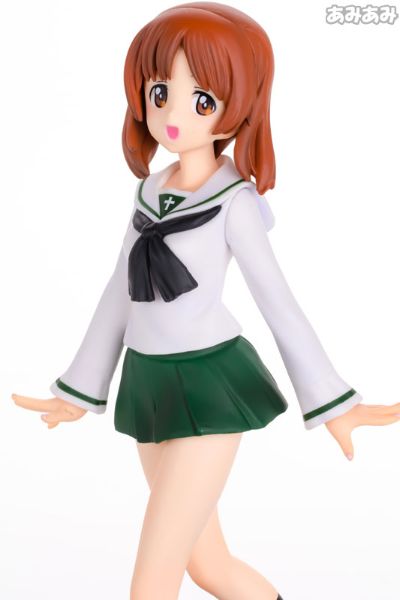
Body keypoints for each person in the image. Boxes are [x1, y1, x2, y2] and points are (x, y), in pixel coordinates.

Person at [12, 3, 400, 599]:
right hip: (147, 384)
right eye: (160, 91)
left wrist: (332, 401)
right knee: (209, 566)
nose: (172, 114)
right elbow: (119, 293)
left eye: (201, 100)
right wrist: (78, 389)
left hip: (209, 385)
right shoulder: (148, 192)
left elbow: (278, 303)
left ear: (236, 107)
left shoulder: (233, 202)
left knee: (151, 584)